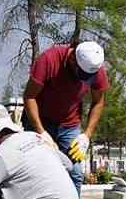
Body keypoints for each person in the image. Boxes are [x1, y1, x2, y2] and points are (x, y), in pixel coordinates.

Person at [24, 40, 108, 189]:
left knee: (74, 173)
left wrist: (86, 136)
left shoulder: (95, 70)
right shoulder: (49, 59)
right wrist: (41, 132)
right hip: (39, 121)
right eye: (81, 74)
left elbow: (98, 102)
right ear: (72, 59)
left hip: (69, 126)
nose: (83, 79)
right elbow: (30, 97)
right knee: (34, 170)